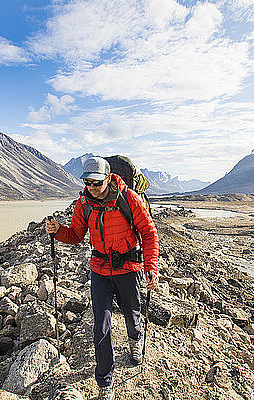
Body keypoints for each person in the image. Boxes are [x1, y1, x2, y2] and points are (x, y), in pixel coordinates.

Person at [45, 156, 159, 400]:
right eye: (87, 183)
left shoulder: (128, 198)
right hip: (99, 271)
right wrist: (58, 231)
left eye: (96, 183)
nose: (92, 188)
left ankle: (134, 339)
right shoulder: (84, 203)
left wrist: (150, 267)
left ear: (108, 178)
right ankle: (104, 382)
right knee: (101, 326)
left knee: (132, 312)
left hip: (129, 268)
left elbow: (149, 233)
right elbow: (75, 235)